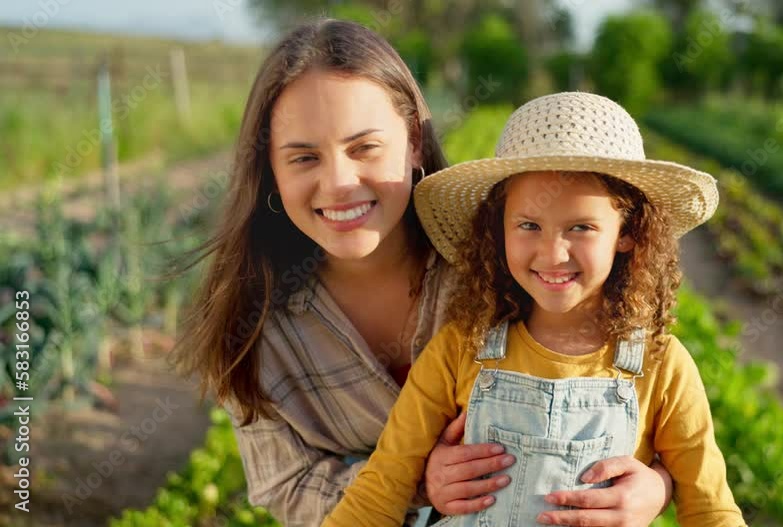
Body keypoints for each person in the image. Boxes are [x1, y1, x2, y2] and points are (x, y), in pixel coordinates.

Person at [171, 19, 675, 527]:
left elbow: (643, 393)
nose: (340, 182)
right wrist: (413, 482)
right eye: (304, 157)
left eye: (364, 147)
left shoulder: (511, 272)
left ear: (413, 140)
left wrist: (657, 485)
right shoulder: (254, 325)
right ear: (271, 173)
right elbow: (283, 485)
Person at [324, 92, 746, 527]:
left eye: (581, 227)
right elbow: (383, 486)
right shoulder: (459, 349)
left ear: (629, 232)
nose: (552, 252)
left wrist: (660, 488)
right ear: (498, 229)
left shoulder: (662, 366)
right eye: (528, 225)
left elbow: (709, 508)